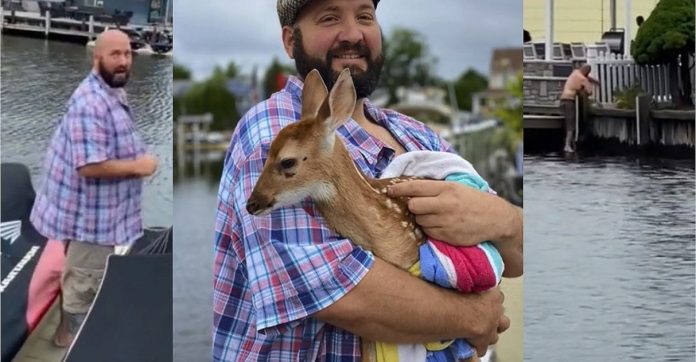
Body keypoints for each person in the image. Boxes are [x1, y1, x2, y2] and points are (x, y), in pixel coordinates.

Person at [213, 0, 523, 360]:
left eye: (364, 16)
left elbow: (513, 259)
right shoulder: (276, 134)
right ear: (290, 41)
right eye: (329, 17)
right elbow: (342, 292)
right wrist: (473, 316)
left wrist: (506, 220)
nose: (352, 34)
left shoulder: (419, 137)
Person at [29, 29, 158, 347]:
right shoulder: (90, 104)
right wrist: (138, 166)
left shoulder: (110, 89)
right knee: (85, 287)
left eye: (128, 54)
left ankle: (63, 334)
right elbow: (89, 166)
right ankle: (73, 344)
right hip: (91, 221)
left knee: (79, 275)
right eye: (115, 54)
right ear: (96, 56)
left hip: (94, 213)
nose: (124, 61)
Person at [559, 64, 599, 152]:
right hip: (569, 101)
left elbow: (586, 76)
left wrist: (595, 81)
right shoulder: (583, 79)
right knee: (571, 125)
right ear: (587, 72)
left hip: (562, 100)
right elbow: (589, 92)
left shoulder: (575, 72)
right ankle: (567, 145)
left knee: (567, 123)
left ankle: (570, 142)